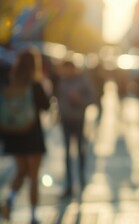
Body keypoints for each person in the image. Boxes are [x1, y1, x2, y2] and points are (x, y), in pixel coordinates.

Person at [0, 50, 50, 224]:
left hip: (14, 134)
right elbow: (46, 106)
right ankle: (33, 213)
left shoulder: (9, 83)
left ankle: (10, 200)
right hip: (32, 133)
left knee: (21, 172)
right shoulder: (35, 85)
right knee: (34, 175)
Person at [56, 60, 96, 197]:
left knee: (80, 150)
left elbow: (92, 98)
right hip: (65, 120)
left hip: (79, 120)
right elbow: (59, 98)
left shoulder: (83, 80)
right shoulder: (62, 81)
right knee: (67, 154)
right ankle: (69, 184)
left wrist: (79, 100)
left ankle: (82, 180)